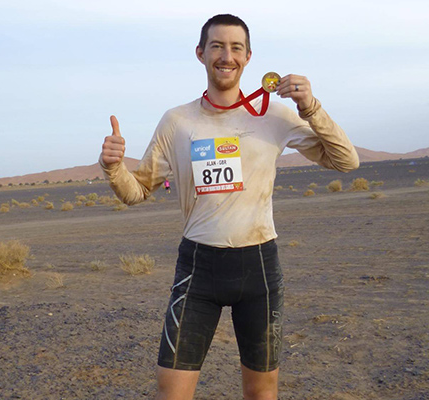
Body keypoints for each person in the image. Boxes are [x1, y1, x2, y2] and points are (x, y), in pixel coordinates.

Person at [100, 14, 358, 400]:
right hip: (198, 270)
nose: (227, 55)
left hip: (259, 270)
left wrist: (311, 106)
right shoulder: (177, 122)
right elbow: (137, 192)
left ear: (248, 57)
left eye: (236, 47)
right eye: (217, 46)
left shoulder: (273, 114)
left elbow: (345, 161)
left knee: (261, 393)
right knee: (171, 392)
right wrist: (114, 168)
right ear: (201, 53)